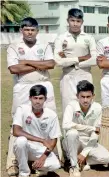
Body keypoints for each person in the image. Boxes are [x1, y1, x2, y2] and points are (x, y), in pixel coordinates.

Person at [6, 17, 57, 176]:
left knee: (48, 120)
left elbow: (50, 64)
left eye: (32, 30)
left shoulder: (45, 45)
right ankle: (13, 162)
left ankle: (52, 156)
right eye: (26, 29)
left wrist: (26, 62)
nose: (29, 32)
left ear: (37, 31)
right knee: (18, 121)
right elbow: (14, 69)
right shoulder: (14, 46)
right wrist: (38, 64)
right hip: (22, 87)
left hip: (44, 86)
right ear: (21, 30)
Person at [62, 80, 109, 177]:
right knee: (72, 133)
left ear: (93, 96)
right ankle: (74, 166)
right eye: (82, 97)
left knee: (107, 158)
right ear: (77, 96)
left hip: (88, 141)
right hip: (72, 141)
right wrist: (90, 128)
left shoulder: (97, 108)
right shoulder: (71, 106)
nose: (85, 100)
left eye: (88, 97)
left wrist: (84, 153)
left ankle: (82, 160)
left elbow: (96, 133)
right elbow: (65, 125)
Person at [54, 8, 97, 112]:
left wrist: (70, 62)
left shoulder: (89, 38)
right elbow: (58, 61)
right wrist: (80, 58)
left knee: (86, 108)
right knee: (68, 109)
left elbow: (94, 60)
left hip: (85, 75)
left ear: (82, 22)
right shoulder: (61, 38)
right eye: (72, 20)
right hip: (68, 76)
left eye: (78, 21)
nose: (75, 24)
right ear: (67, 20)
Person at [12, 85, 61, 177]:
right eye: (35, 98)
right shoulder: (22, 109)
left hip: (41, 150)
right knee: (21, 141)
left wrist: (42, 158)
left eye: (41, 98)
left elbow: (54, 141)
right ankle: (24, 173)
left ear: (45, 99)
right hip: (26, 147)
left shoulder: (51, 115)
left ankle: (35, 166)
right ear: (30, 98)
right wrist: (42, 140)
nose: (38, 101)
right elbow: (16, 131)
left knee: (55, 165)